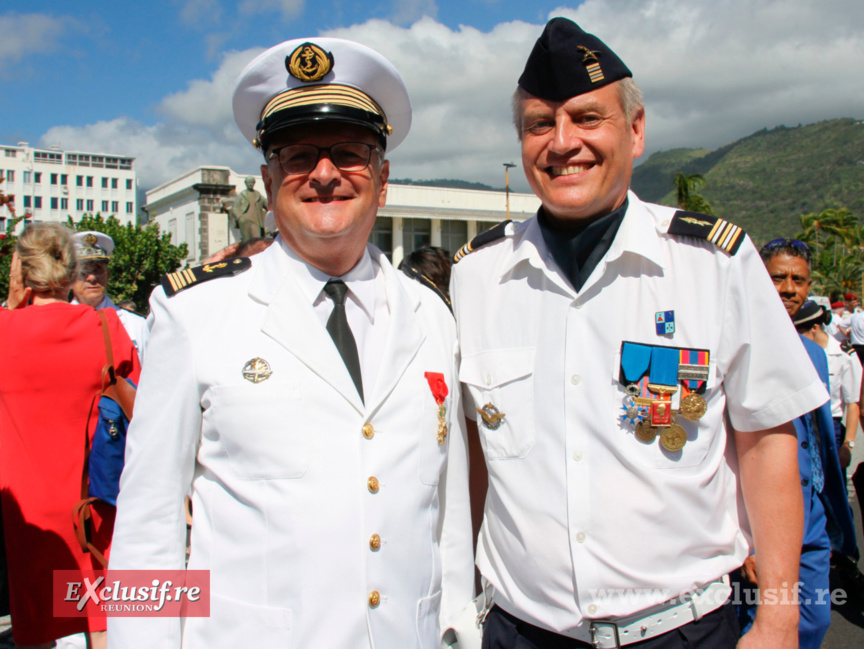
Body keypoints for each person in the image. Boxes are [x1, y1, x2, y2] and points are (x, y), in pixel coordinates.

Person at [450, 18, 827, 649]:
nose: (562, 142)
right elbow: (477, 457)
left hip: (682, 630)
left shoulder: (714, 263)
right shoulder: (477, 276)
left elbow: (766, 443)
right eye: (541, 124)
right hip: (522, 631)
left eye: (587, 118)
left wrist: (780, 617)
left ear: (637, 130)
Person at [108, 37, 473, 648]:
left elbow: (449, 514)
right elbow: (149, 525)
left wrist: (458, 630)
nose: (325, 174)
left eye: (351, 155)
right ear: (268, 180)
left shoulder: (430, 315)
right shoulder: (196, 313)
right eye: (298, 155)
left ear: (382, 181)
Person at [0, 224, 140, 649]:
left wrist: (11, 303)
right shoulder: (105, 327)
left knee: (35, 619)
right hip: (92, 497)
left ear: (21, 270)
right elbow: (144, 408)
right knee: (99, 615)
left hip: (24, 506)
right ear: (71, 268)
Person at [70, 231, 148, 364]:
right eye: (84, 271)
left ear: (108, 274)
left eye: (98, 269)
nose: (92, 278)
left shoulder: (136, 325)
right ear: (70, 276)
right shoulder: (57, 324)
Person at [228, 176, 268, 241]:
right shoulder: (242, 195)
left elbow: (267, 205)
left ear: (254, 183)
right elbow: (235, 208)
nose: (250, 184)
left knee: (257, 240)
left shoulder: (258, 195)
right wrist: (240, 217)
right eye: (248, 182)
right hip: (245, 220)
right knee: (246, 241)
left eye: (252, 182)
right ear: (245, 183)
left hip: (256, 222)